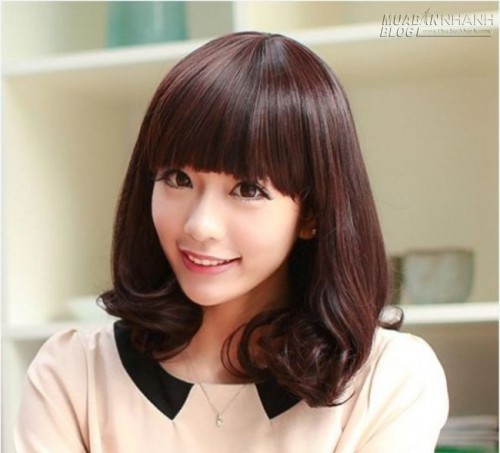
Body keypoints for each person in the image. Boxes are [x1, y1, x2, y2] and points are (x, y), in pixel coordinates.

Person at [14, 31, 448, 452]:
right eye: (178, 178)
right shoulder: (76, 374)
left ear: (312, 214)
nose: (200, 226)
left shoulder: (387, 380)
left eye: (248, 190)